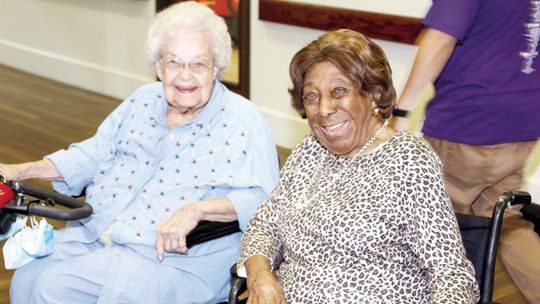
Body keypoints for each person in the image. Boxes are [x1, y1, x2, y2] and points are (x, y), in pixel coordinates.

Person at [0, 1, 279, 303]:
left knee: (53, 288)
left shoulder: (242, 120)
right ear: (158, 66)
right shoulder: (143, 100)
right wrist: (20, 170)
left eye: (198, 64)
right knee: (27, 277)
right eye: (174, 62)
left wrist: (196, 210)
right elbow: (92, 154)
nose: (185, 76)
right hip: (99, 232)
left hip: (171, 259)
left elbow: (263, 199)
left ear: (217, 68)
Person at [236, 29, 479, 303]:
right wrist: (259, 275)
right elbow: (264, 225)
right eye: (311, 96)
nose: (324, 109)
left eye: (338, 91)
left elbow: (450, 272)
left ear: (374, 94)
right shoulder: (310, 149)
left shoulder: (409, 160)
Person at [393, 1, 540, 302]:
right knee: (507, 223)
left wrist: (399, 112)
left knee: (433, 228)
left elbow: (440, 39)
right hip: (521, 124)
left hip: (468, 124)